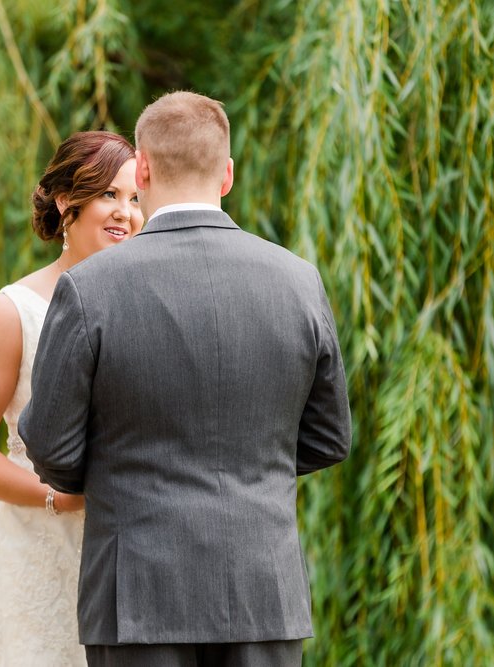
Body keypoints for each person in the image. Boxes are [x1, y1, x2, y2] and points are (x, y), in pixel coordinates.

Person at [19, 91, 351, 666]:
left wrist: (123, 469)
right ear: (226, 174)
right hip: (261, 593)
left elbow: (50, 448)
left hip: (136, 598)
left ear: (142, 167)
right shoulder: (299, 282)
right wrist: (252, 462)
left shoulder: (89, 289)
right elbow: (328, 438)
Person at [0, 130, 144, 666]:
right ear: (66, 203)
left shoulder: (148, 309)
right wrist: (61, 497)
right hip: (42, 553)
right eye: (109, 195)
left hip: (134, 561)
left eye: (136, 198)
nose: (126, 213)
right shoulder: (13, 313)